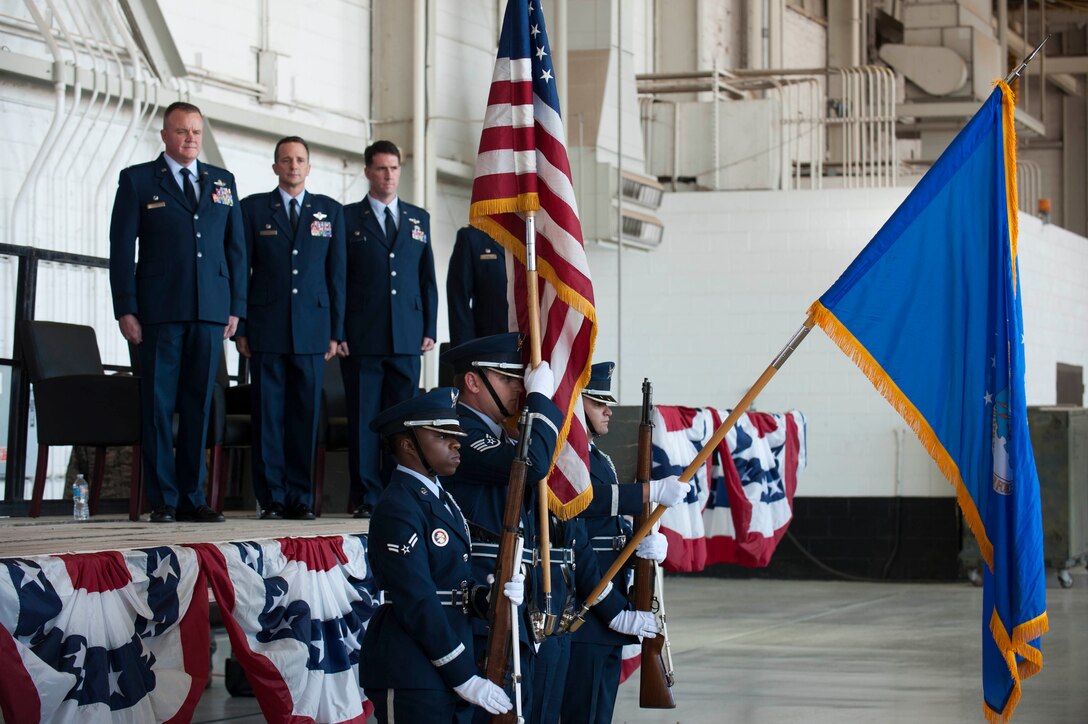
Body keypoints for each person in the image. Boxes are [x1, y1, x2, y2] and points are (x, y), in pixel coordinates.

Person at [109, 101, 245, 523]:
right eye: (182, 131)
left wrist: (235, 307)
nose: (190, 139)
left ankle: (192, 496)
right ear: (165, 135)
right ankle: (163, 499)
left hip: (210, 312)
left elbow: (235, 249)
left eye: (196, 132)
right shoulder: (137, 181)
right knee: (158, 405)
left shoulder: (222, 181)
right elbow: (120, 251)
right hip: (158, 312)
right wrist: (125, 308)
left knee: (198, 405)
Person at [359, 387, 522, 723]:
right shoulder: (399, 506)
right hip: (411, 668)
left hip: (445, 664)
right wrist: (462, 674)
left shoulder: (440, 499)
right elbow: (416, 599)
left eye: (456, 435)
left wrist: (487, 596)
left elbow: (452, 581)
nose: (457, 443)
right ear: (407, 445)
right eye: (442, 435)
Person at [561, 361, 690, 723]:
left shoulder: (600, 459)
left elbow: (612, 526)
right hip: (587, 611)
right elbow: (584, 509)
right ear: (575, 403)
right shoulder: (571, 459)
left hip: (610, 611)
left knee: (599, 713)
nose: (608, 410)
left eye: (609, 402)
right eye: (598, 401)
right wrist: (645, 492)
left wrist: (642, 547)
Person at [236, 136, 346, 520]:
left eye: (300, 160)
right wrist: (242, 328)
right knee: (268, 414)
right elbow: (242, 270)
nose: (293, 166)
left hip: (313, 330)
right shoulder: (252, 209)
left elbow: (337, 276)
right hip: (266, 328)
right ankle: (272, 497)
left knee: (304, 415)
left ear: (309, 167)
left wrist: (336, 331)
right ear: (275, 167)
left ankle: (300, 496)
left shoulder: (329, 211)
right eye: (286, 160)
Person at [340, 140, 438, 519]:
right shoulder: (348, 217)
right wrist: (339, 330)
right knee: (365, 418)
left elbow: (426, 277)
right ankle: (366, 494)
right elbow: (340, 279)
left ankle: (399, 490)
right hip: (362, 334)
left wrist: (429, 324)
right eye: (381, 168)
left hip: (407, 335)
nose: (388, 175)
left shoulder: (418, 218)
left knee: (403, 422)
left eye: (394, 168)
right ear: (367, 172)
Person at [446, 225, 509, 346]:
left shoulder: (532, 234)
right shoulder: (472, 237)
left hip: (533, 342)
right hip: (490, 342)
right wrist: (465, 350)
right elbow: (458, 298)